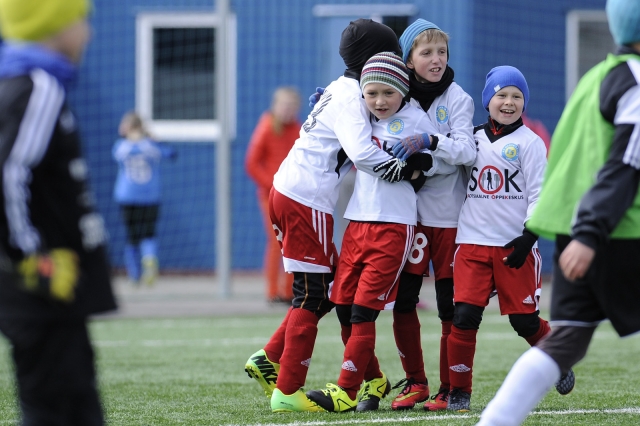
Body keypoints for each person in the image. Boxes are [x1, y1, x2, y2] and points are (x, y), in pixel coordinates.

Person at [244, 19, 422, 413]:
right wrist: (405, 171)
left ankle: (275, 359)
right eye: (390, 55)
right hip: (306, 198)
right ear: (371, 59)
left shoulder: (342, 88)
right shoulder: (351, 98)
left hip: (291, 192)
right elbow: (361, 153)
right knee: (312, 295)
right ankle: (288, 391)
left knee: (334, 290)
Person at [477, 1, 640, 424]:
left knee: (567, 340)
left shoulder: (595, 77)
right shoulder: (635, 81)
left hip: (578, 229)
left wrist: (572, 230)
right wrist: (590, 232)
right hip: (618, 232)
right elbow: (625, 165)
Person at [305, 52, 456, 413]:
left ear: (402, 91)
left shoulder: (416, 119)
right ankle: (373, 380)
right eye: (371, 93)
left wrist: (421, 164)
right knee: (343, 308)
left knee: (363, 312)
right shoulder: (360, 115)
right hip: (356, 222)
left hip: (394, 227)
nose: (379, 101)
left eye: (388, 93)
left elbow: (440, 161)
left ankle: (345, 391)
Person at [0, 0, 117, 424]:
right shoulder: (38, 87)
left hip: (49, 291)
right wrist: (31, 255)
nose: (88, 33)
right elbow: (8, 173)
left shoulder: (26, 84)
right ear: (53, 26)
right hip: (42, 287)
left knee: (70, 404)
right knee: (60, 407)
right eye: (79, 21)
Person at [444, 65, 574, 413]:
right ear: (488, 100)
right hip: (472, 243)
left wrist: (528, 237)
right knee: (464, 317)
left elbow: (540, 194)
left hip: (515, 246)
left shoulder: (530, 143)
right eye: (501, 95)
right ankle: (459, 392)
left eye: (517, 96)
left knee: (524, 322)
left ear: (524, 103)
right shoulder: (471, 139)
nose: (509, 102)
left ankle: (559, 359)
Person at [389, 19, 477, 411]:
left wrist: (430, 145)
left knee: (448, 307)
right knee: (403, 302)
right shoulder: (397, 95)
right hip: (408, 218)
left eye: (442, 51)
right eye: (427, 52)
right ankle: (416, 382)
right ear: (409, 60)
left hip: (448, 220)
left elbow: (467, 151)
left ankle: (449, 387)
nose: (436, 59)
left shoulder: (458, 98)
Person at [244, 87, 301, 303]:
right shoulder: (267, 127)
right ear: (275, 106)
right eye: (283, 105)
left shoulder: (298, 129)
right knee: (277, 241)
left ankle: (289, 291)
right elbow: (251, 164)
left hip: (293, 196)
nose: (287, 110)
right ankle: (272, 291)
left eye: (291, 106)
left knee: (293, 242)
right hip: (271, 195)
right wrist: (273, 185)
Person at [113, 111, 176, 286]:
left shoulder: (121, 147)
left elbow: (116, 154)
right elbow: (172, 153)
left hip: (127, 196)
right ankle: (149, 263)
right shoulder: (151, 146)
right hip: (150, 196)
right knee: (149, 233)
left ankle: (134, 274)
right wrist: (155, 139)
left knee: (132, 235)